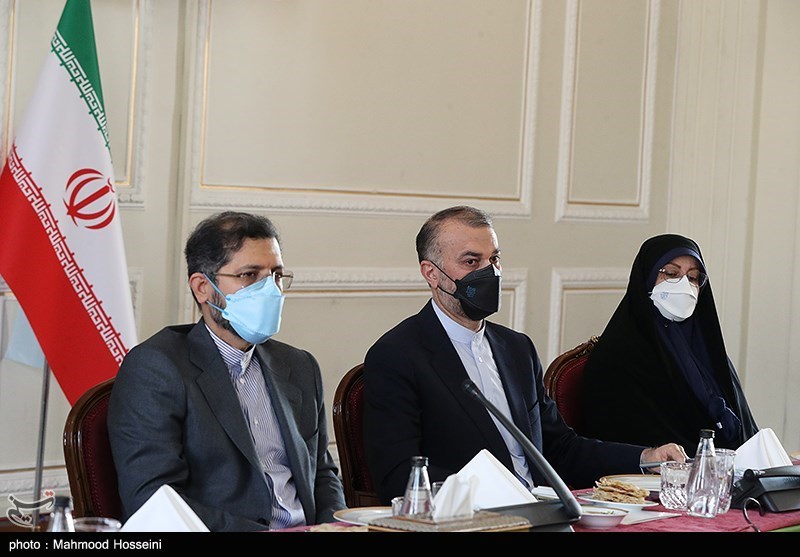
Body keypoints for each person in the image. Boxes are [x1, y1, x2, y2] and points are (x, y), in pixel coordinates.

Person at [362, 206, 686, 505]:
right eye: (471, 262)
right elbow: (400, 477)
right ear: (431, 273)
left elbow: (560, 448)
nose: (490, 272)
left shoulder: (517, 349)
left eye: (494, 259)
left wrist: (646, 457)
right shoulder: (397, 355)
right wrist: (501, 496)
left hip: (547, 514)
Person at [108, 211, 345, 531]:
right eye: (249, 275)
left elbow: (322, 476)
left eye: (276, 275)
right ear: (202, 288)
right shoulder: (157, 368)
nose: (271, 290)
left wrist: (336, 527)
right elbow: (154, 500)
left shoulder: (300, 366)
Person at [581, 233, 758, 455]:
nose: (684, 285)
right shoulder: (618, 357)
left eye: (693, 278)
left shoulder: (708, 353)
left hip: (728, 467)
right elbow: (629, 441)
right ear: (645, 278)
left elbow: (745, 431)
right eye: (672, 274)